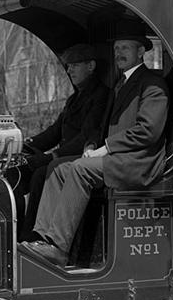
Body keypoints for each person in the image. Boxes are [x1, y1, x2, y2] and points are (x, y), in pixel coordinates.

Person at [20, 20, 170, 266]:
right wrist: (91, 145)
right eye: (117, 48)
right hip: (118, 157)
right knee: (57, 169)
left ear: (141, 51)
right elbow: (99, 129)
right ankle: (44, 239)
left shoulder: (152, 85)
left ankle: (59, 247)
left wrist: (105, 147)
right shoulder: (120, 85)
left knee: (80, 169)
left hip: (139, 161)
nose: (119, 53)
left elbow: (148, 131)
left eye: (126, 48)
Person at [9, 43, 109, 237]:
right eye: (68, 66)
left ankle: (34, 236)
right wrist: (24, 144)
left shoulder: (101, 95)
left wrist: (52, 156)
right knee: (15, 171)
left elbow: (86, 137)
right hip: (62, 156)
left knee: (41, 173)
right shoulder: (74, 99)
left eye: (74, 65)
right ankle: (15, 233)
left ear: (91, 66)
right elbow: (54, 132)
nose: (69, 70)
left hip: (81, 156)